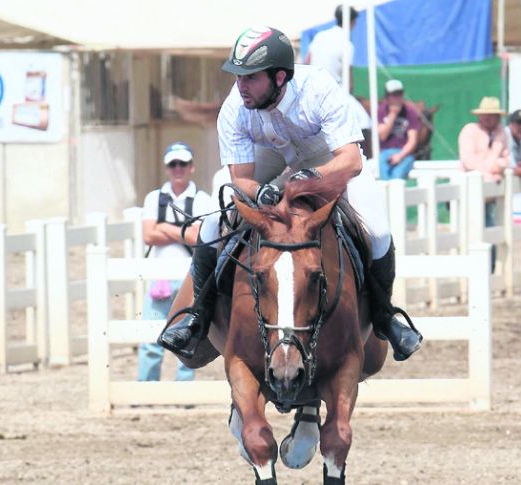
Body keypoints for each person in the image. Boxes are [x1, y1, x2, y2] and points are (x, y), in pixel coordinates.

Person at [158, 26, 422, 362]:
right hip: (269, 155)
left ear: (280, 77)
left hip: (327, 158)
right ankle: (199, 313)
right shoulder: (235, 107)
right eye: (238, 76)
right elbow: (241, 178)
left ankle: (385, 316)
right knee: (213, 217)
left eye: (251, 77)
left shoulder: (319, 88)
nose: (241, 86)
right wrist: (263, 193)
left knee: (378, 230)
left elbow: (351, 160)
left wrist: (310, 179)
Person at [138, 141, 213, 382]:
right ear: (167, 168)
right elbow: (148, 235)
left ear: (192, 167)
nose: (178, 168)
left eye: (183, 163)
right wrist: (184, 231)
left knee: (186, 338)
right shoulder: (154, 198)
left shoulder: (202, 199)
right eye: (173, 164)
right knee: (150, 340)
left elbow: (198, 238)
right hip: (159, 279)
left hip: (189, 280)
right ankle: (146, 389)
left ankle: (185, 391)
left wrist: (165, 228)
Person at [305, 5, 372, 154]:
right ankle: (362, 158)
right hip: (334, 92)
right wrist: (350, 93)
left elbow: (306, 61)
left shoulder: (320, 36)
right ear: (353, 21)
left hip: (311, 91)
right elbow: (348, 74)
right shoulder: (347, 44)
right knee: (365, 122)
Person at [458, 96, 510, 272]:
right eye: (486, 114)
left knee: (488, 226)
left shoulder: (501, 133)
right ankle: (479, 268)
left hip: (489, 190)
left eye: (492, 115)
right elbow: (468, 161)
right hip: (470, 188)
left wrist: (498, 166)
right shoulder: (470, 131)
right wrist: (491, 170)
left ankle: (489, 267)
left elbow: (506, 159)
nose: (488, 118)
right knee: (475, 227)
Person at [377, 79, 421, 179]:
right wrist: (393, 114)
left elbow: (412, 140)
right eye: (394, 94)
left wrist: (400, 155)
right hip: (386, 152)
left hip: (405, 153)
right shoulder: (382, 109)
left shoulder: (410, 111)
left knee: (397, 176)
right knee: (385, 177)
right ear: (387, 96)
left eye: (399, 94)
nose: (397, 98)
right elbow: (382, 136)